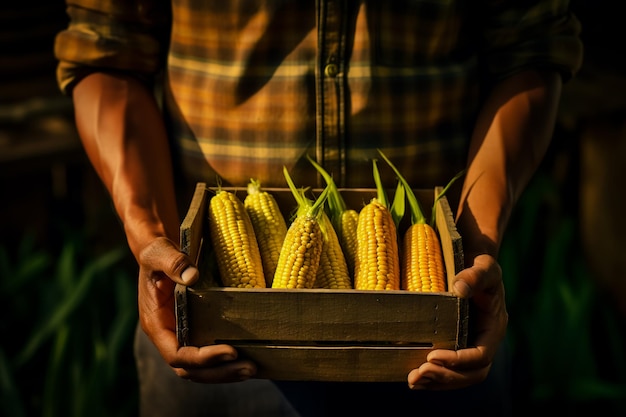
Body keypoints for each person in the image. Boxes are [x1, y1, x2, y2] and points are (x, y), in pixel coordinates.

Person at [54, 1, 582, 416]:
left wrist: (476, 242)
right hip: (213, 326)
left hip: (434, 337)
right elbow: (105, 50)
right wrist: (150, 232)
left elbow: (532, 48)